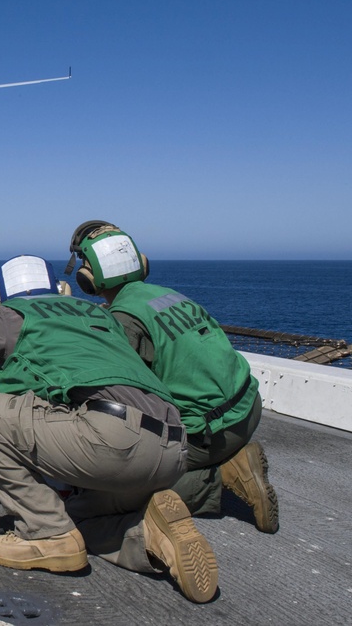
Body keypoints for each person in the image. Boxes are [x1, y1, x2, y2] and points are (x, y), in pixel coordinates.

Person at [0, 255, 219, 603]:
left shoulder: (9, 315)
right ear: (59, 288)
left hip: (114, 441)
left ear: (0, 296)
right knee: (74, 519)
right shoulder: (99, 314)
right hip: (173, 447)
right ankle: (148, 537)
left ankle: (45, 534)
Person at [66, 221, 279, 534]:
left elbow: (108, 388)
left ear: (89, 277)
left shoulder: (124, 320)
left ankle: (222, 477)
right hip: (247, 407)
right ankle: (229, 461)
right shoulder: (165, 295)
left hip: (208, 435)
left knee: (106, 497)